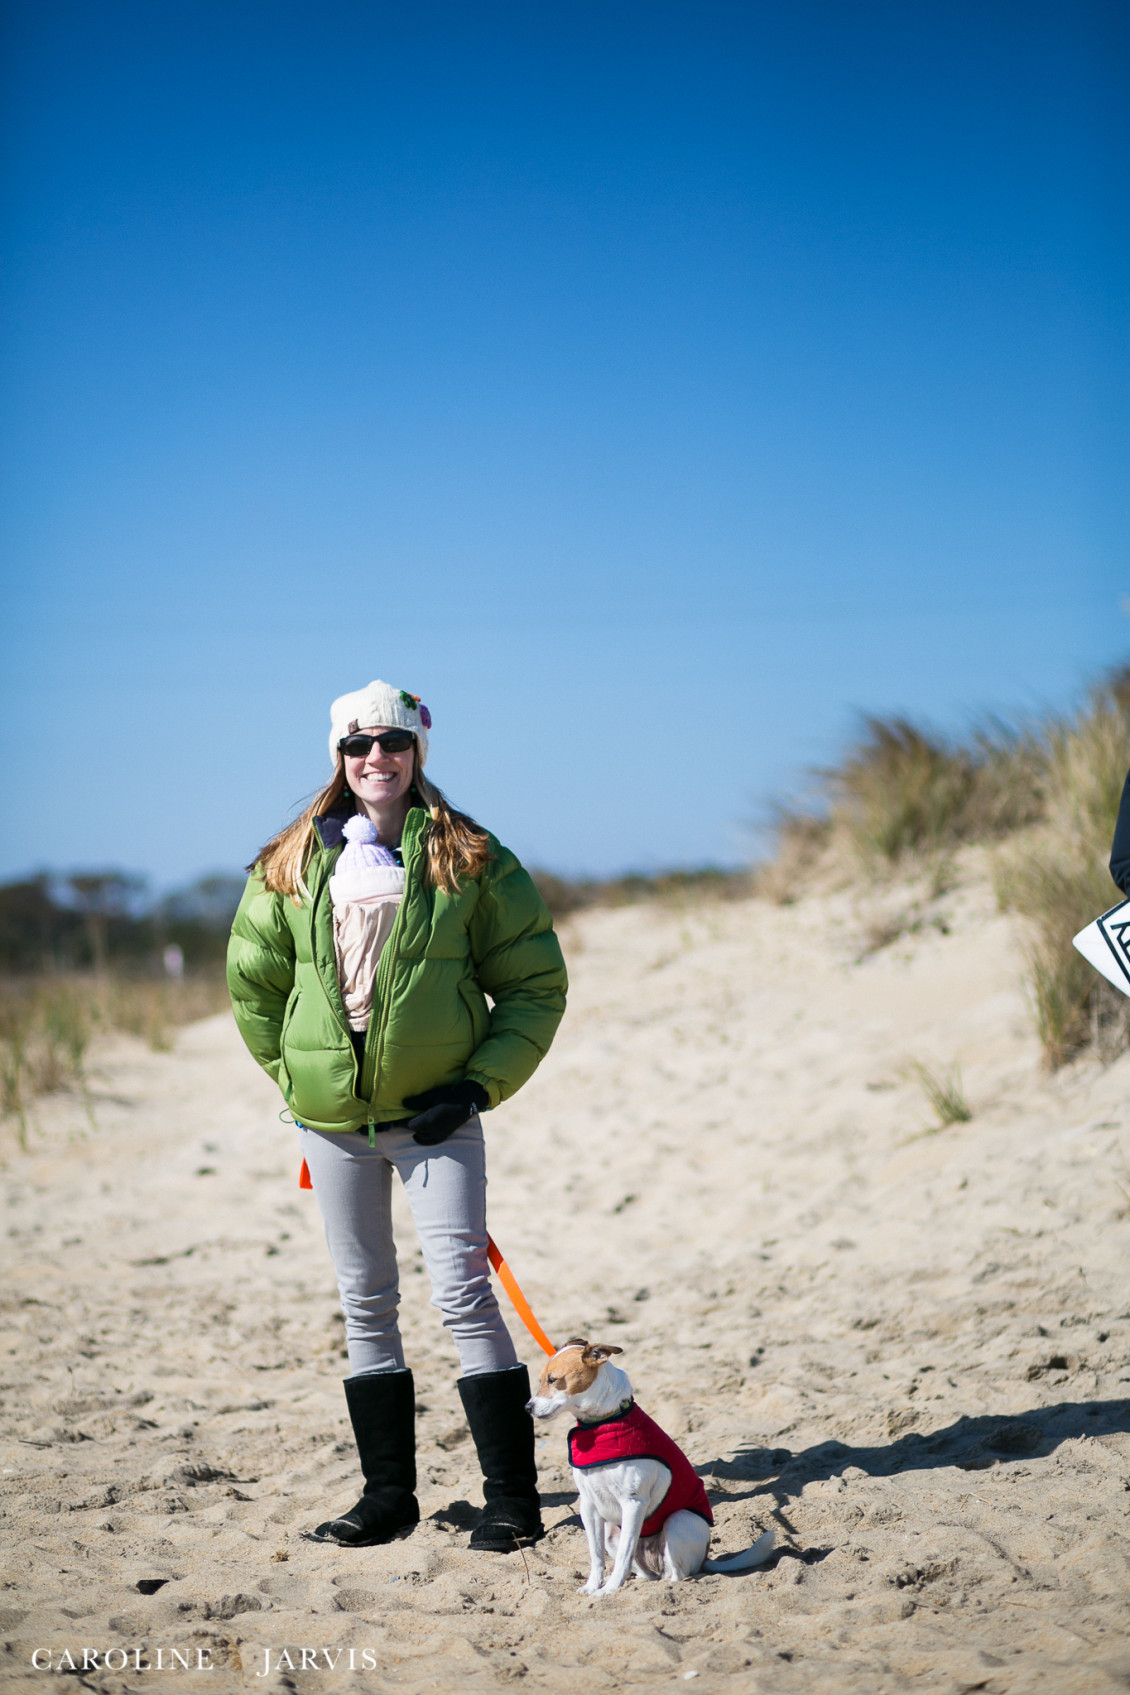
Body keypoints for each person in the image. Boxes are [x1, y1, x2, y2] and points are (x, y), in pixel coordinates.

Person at [226, 679, 567, 1552]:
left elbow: (533, 984)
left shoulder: (471, 856)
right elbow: (254, 986)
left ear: (417, 750)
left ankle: (512, 1500)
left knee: (462, 1292)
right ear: (338, 757)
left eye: (391, 740)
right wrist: (301, 1081)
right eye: (357, 744)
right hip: (332, 1125)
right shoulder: (289, 861)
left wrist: (477, 1086)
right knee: (365, 1300)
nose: (375, 756)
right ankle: (388, 1497)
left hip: (438, 1118)